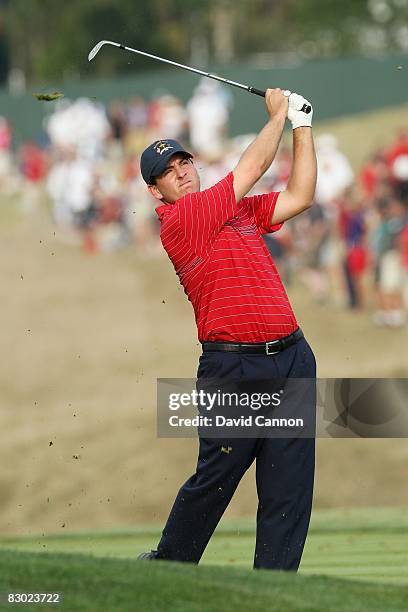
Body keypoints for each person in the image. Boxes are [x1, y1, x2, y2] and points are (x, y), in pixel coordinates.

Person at [137, 88, 317, 570]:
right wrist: (279, 113)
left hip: (293, 358)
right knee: (216, 477)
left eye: (184, 162)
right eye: (167, 172)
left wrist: (303, 126)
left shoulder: (235, 210)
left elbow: (300, 196)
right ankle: (169, 565)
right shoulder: (181, 220)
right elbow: (253, 167)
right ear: (156, 191)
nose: (181, 172)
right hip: (233, 365)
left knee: (289, 486)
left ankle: (273, 587)